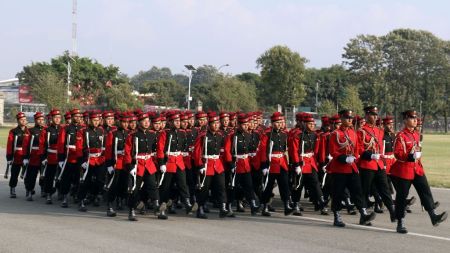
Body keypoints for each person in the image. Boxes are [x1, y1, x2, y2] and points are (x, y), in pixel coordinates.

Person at [390, 110, 447, 234]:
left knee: (425, 191)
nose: (415, 120)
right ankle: (400, 222)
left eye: (416, 117)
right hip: (404, 170)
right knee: (401, 196)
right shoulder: (401, 135)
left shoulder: (416, 134)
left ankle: (433, 216)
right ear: (405, 120)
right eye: (412, 118)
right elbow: (397, 153)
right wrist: (409, 156)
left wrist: (417, 156)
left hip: (416, 168)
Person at [328, 109, 376, 227]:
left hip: (352, 167)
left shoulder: (353, 133)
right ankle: (337, 216)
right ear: (342, 119)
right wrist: (344, 158)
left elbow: (358, 149)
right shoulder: (335, 134)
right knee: (338, 193)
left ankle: (363, 214)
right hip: (339, 168)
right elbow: (333, 151)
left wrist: (356, 157)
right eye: (347, 118)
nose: (350, 120)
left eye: (351, 118)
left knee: (358, 191)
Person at [357, 106, 396, 224]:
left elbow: (380, 148)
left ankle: (392, 212)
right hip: (367, 165)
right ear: (367, 115)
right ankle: (363, 215)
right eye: (372, 115)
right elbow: (358, 149)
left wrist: (383, 162)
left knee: (385, 189)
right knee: (364, 191)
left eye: (376, 115)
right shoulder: (361, 131)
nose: (375, 117)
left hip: (378, 164)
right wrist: (369, 156)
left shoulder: (379, 131)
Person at [123, 112, 161, 221]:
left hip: (148, 164)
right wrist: (130, 166)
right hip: (137, 164)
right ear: (139, 123)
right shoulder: (133, 135)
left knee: (153, 186)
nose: (146, 123)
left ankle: (157, 206)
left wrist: (158, 162)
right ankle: (132, 210)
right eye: (144, 121)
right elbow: (128, 152)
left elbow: (154, 149)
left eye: (148, 121)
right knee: (135, 189)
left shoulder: (152, 134)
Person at [290, 113, 329, 215]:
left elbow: (316, 151)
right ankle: (296, 204)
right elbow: (294, 151)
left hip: (311, 163)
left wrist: (321, 163)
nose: (312, 125)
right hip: (301, 162)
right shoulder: (298, 135)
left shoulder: (315, 135)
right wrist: (297, 164)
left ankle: (321, 203)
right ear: (304, 124)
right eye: (310, 124)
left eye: (313, 124)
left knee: (315, 184)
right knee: (298, 184)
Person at [156, 111, 193, 218]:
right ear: (170, 122)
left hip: (179, 161)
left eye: (179, 121)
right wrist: (161, 163)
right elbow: (160, 149)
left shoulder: (182, 132)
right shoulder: (165, 133)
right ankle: (162, 207)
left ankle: (187, 203)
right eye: (175, 121)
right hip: (169, 162)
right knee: (166, 187)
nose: (178, 123)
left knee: (183, 184)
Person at [193, 112, 229, 219]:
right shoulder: (203, 136)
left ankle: (223, 207)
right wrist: (200, 165)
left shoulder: (221, 135)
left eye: (218, 123)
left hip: (217, 164)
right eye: (214, 123)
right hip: (206, 164)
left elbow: (223, 150)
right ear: (209, 124)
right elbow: (197, 152)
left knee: (221, 186)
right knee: (204, 188)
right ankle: (200, 208)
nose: (216, 125)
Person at [258, 112, 294, 217]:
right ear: (272, 123)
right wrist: (264, 165)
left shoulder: (284, 134)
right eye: (277, 122)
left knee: (284, 185)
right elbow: (263, 150)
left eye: (280, 122)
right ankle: (264, 205)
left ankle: (287, 205)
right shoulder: (267, 134)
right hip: (271, 163)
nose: (279, 124)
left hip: (282, 162)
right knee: (268, 186)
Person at [224, 113, 260, 215]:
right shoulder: (232, 136)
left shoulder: (249, 135)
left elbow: (251, 150)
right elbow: (227, 151)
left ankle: (253, 204)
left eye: (246, 124)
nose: (246, 126)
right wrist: (231, 164)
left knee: (249, 185)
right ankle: (229, 205)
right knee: (233, 186)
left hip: (246, 164)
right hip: (236, 164)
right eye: (243, 125)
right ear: (238, 125)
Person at [77, 112, 106, 212]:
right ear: (89, 121)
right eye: (94, 120)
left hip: (99, 160)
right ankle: (80, 200)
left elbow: (104, 145)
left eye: (98, 120)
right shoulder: (83, 131)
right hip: (88, 159)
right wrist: (82, 161)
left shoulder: (101, 130)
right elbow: (79, 147)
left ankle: (94, 196)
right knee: (85, 181)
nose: (96, 122)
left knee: (100, 180)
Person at [104, 113, 130, 216]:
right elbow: (108, 150)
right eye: (124, 122)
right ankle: (109, 205)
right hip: (116, 162)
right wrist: (109, 164)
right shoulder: (113, 133)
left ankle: (120, 200)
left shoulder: (130, 133)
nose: (126, 124)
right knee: (113, 184)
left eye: (127, 122)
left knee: (124, 183)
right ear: (119, 122)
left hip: (125, 162)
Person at [6, 112, 30, 198]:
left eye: (24, 119)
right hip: (16, 156)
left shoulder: (29, 131)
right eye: (21, 120)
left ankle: (28, 189)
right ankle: (12, 189)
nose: (23, 121)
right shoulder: (13, 131)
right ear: (18, 121)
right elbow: (10, 145)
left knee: (27, 174)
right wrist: (9, 157)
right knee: (14, 174)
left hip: (26, 156)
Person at [23, 112, 46, 201]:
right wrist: (25, 157)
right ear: (35, 120)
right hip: (33, 156)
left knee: (44, 174)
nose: (41, 121)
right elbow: (25, 145)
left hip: (43, 156)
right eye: (39, 119)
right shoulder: (30, 130)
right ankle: (29, 191)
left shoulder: (46, 129)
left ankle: (43, 189)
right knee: (31, 175)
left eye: (42, 119)